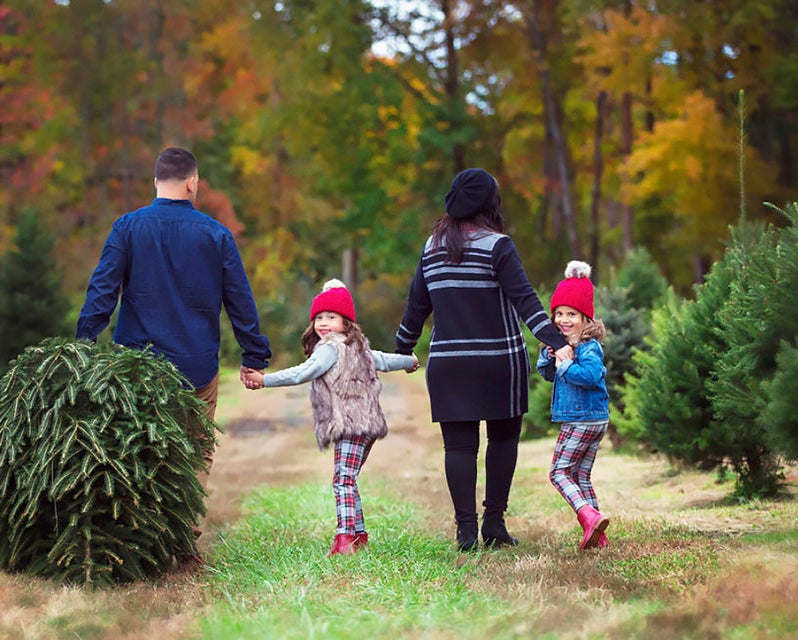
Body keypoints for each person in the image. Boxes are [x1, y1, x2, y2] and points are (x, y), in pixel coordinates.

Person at [75, 146, 272, 565]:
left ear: (155, 183)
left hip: (135, 369)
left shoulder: (127, 228)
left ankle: (136, 538)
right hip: (195, 366)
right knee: (195, 451)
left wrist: (84, 344)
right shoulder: (216, 235)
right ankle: (181, 540)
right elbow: (240, 301)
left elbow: (102, 290)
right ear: (192, 183)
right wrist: (254, 354)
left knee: (138, 447)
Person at [395, 168, 573, 552]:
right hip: (498, 361)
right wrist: (557, 341)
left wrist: (403, 348)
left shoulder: (432, 248)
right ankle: (494, 523)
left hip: (449, 364)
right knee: (503, 438)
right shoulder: (498, 245)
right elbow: (526, 300)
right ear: (489, 202)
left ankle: (465, 530)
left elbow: (416, 306)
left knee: (458, 448)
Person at [242, 279, 418, 556]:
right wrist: (409, 361)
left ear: (346, 322)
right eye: (319, 318)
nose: (323, 323)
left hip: (349, 422)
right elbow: (384, 359)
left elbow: (303, 372)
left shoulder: (330, 348)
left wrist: (265, 380)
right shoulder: (357, 346)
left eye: (331, 317)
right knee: (348, 478)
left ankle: (345, 538)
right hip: (367, 424)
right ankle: (358, 535)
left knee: (342, 480)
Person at [536, 260, 610, 551]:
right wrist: (550, 356)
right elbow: (548, 374)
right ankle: (598, 537)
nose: (564, 320)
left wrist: (566, 365)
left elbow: (592, 376)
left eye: (572, 314)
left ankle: (588, 516)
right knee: (580, 475)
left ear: (586, 318)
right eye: (559, 314)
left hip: (583, 418)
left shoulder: (589, 345)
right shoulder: (565, 343)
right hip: (593, 419)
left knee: (558, 473)